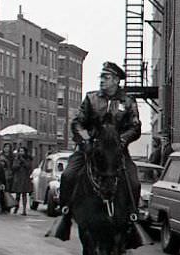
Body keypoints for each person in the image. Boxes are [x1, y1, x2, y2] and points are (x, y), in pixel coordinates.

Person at [55, 61, 141, 239]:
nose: (101, 80)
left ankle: (132, 217)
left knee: (134, 182)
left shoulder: (128, 101)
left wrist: (121, 140)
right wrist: (86, 140)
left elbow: (135, 127)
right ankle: (65, 212)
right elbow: (77, 122)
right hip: (89, 148)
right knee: (68, 175)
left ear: (116, 80)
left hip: (116, 151)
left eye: (106, 77)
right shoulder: (91, 98)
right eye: (101, 76)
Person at [11, 146, 33, 215]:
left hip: (25, 178)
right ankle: (16, 207)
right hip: (18, 178)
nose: (21, 153)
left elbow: (28, 166)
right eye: (20, 151)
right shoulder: (16, 158)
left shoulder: (28, 159)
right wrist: (18, 163)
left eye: (22, 151)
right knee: (17, 195)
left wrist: (23, 160)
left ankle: (24, 210)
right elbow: (14, 167)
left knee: (24, 195)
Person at [0, 142, 15, 214]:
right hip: (1, 175)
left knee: (7, 192)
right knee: (0, 192)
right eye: (5, 147)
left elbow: (13, 166)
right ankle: (1, 207)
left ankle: (7, 207)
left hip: (9, 176)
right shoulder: (0, 156)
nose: (7, 149)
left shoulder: (12, 157)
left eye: (8, 147)